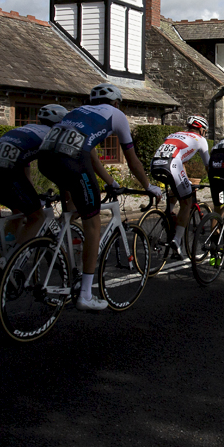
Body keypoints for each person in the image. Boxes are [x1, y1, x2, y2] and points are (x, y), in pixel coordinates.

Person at [38, 84, 162, 311]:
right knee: (93, 222)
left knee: (78, 205)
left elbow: (92, 157)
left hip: (46, 159)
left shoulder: (78, 112)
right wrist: (148, 185)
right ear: (116, 102)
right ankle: (85, 294)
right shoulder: (117, 115)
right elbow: (132, 160)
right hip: (73, 160)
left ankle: (59, 241)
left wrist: (112, 182)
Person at [0, 104, 68, 249]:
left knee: (18, 211)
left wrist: (33, 196)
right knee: (37, 218)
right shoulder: (53, 135)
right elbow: (55, 169)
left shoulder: (26, 128)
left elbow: (25, 168)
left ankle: (4, 252)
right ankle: (14, 262)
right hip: (7, 171)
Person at [150, 115, 210, 257]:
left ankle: (168, 214)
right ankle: (176, 240)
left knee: (176, 189)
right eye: (205, 131)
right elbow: (208, 165)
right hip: (172, 165)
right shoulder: (200, 140)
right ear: (201, 130)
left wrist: (186, 180)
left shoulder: (174, 134)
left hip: (155, 164)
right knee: (187, 202)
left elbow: (180, 159)